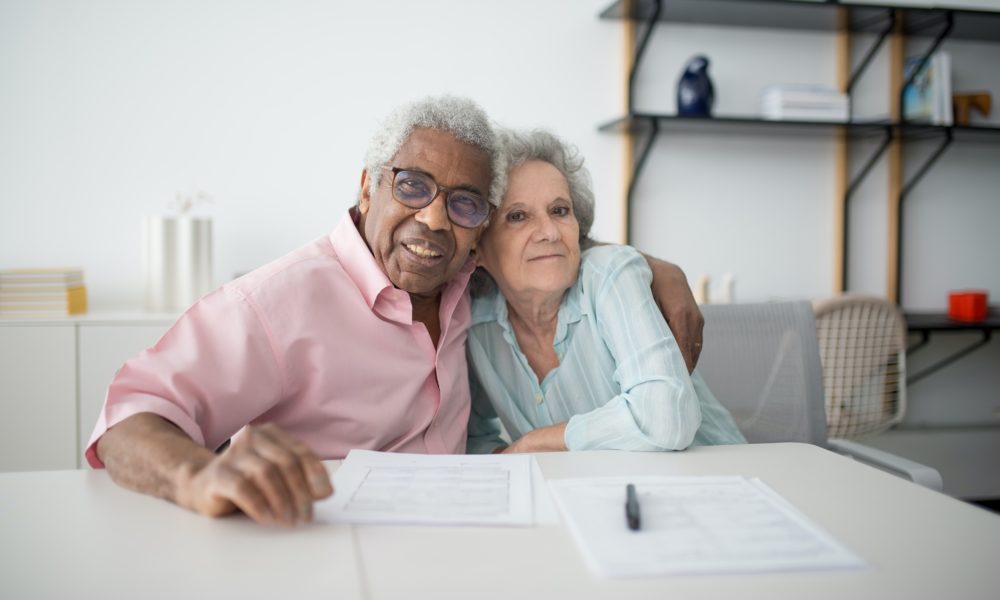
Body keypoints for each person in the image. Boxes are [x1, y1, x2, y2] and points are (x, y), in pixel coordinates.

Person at [88, 96, 704, 527]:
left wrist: (645, 265)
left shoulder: (468, 280)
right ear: (366, 187)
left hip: (477, 539)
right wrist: (197, 478)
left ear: (477, 228)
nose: (434, 219)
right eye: (411, 186)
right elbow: (130, 418)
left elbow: (538, 241)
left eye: (463, 204)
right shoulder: (278, 302)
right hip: (325, 547)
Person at [466, 128, 745, 454]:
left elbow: (666, 420)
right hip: (589, 498)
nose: (549, 232)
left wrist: (532, 444)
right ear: (478, 246)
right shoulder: (475, 323)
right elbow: (474, 440)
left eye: (559, 210)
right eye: (517, 216)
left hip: (720, 479)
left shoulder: (610, 275)